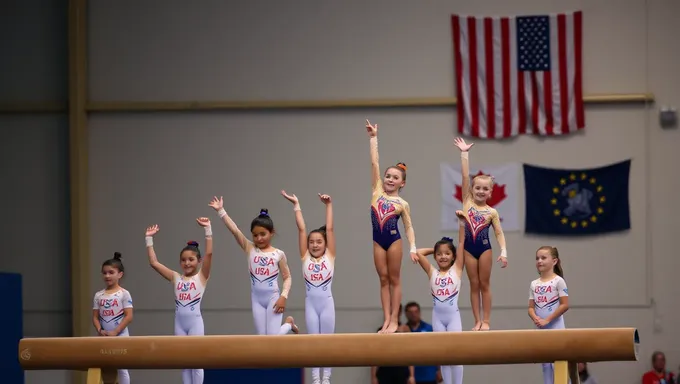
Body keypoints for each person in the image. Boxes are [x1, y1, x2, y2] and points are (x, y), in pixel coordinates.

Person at [209, 196, 298, 335]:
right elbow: (235, 230)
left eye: (263, 234)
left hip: (273, 299)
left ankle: (288, 324)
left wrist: (283, 297)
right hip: (256, 299)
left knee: (273, 338)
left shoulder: (278, 254)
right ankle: (288, 325)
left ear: (272, 232)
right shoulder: (250, 248)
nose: (259, 238)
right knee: (262, 339)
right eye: (255, 235)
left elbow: (287, 277)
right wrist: (221, 211)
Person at [366, 119, 419, 334]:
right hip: (378, 241)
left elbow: (408, 227)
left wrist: (413, 247)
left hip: (394, 241)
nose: (389, 179)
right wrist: (373, 138)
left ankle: (395, 320)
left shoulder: (402, 204)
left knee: (395, 279)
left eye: (395, 177)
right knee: (383, 279)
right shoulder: (377, 192)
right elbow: (374, 163)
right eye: (388, 176)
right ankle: (387, 319)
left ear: (402, 183)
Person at [144, 217, 213, 384]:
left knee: (196, 362)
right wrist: (149, 239)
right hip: (179, 324)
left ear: (199, 261)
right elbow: (154, 263)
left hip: (195, 323)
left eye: (191, 260)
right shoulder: (175, 277)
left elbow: (209, 253)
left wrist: (208, 230)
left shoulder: (202, 277)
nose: (187, 263)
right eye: (183, 260)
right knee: (183, 362)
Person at [453, 137, 507, 331]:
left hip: (484, 248)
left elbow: (499, 233)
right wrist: (464, 153)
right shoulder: (467, 202)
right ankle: (477, 320)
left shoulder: (492, 212)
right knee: (473, 284)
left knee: (485, 283)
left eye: (485, 189)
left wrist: (504, 251)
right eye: (478, 188)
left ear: (491, 192)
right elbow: (465, 177)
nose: (481, 191)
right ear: (471, 190)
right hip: (469, 248)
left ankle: (487, 321)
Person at [281, 190, 336, 384]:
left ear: (326, 244)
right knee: (313, 342)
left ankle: (327, 378)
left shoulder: (330, 256)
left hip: (327, 304)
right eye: (311, 242)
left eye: (319, 241)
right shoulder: (305, 257)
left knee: (327, 343)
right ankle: (315, 378)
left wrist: (328, 205)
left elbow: (329, 229)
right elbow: (301, 230)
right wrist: (297, 205)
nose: (314, 245)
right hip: (311, 305)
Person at [415, 237, 465, 384]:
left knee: (456, 355)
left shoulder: (457, 270)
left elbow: (461, 244)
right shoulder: (432, 272)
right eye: (439, 254)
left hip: (453, 318)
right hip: (438, 318)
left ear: (454, 256)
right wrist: (434, 250)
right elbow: (418, 253)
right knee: (443, 356)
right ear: (435, 256)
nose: (443, 256)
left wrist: (461, 224)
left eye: (447, 253)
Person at [528, 246, 570, 384]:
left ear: (554, 261)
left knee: (557, 364)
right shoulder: (534, 284)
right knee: (545, 365)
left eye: (543, 258)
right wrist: (536, 318)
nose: (539, 261)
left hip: (556, 328)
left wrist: (547, 320)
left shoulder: (559, 281)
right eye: (537, 258)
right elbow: (530, 308)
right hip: (541, 329)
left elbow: (564, 305)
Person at [92, 252, 133, 384]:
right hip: (104, 335)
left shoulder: (124, 294)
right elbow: (95, 317)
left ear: (120, 274)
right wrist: (99, 330)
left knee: (122, 368)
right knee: (105, 368)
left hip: (121, 334)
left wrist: (116, 331)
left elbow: (129, 316)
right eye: (104, 273)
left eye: (111, 272)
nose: (107, 276)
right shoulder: (98, 295)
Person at [404, 302, 442, 384]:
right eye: (411, 312)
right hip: (410, 376)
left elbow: (436, 351)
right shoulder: (403, 330)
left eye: (416, 312)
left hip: (429, 374)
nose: (414, 315)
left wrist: (439, 370)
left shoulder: (429, 329)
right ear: (406, 314)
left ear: (420, 312)